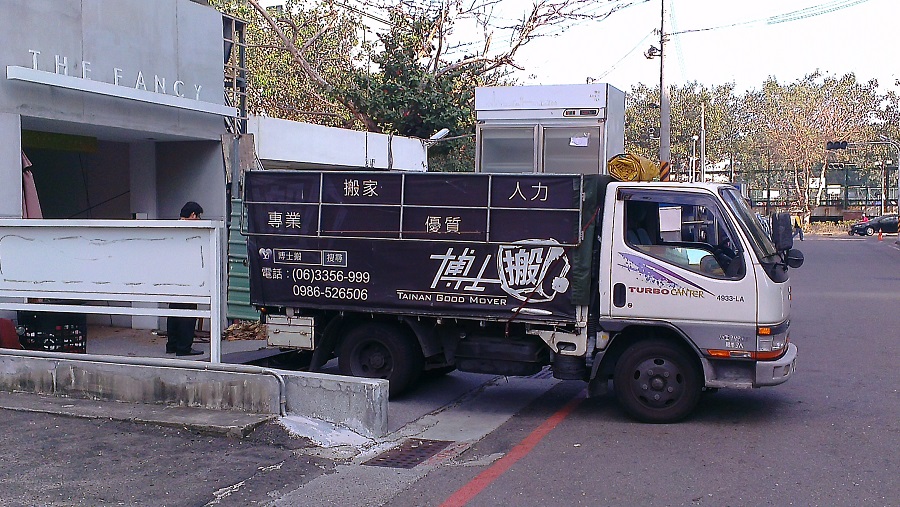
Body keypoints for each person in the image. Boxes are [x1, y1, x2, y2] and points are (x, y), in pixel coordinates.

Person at [166, 201, 205, 356]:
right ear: (193, 215)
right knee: (188, 313)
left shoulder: (172, 228)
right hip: (188, 278)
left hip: (173, 276)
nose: (199, 220)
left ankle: (172, 345)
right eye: (198, 216)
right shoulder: (190, 230)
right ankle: (184, 347)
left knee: (174, 312)